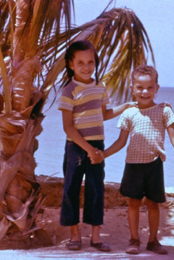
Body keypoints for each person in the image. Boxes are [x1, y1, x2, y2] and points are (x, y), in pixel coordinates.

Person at [103, 65, 174, 255]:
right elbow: (121, 142)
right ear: (132, 88)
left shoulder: (163, 110)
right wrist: (104, 154)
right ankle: (134, 239)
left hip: (154, 164)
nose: (145, 92)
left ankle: (153, 240)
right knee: (133, 203)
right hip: (133, 165)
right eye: (140, 87)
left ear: (156, 88)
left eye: (150, 88)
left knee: (153, 203)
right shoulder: (128, 113)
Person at [58, 40, 134, 252]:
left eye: (90, 62)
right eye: (80, 62)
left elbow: (104, 114)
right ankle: (74, 235)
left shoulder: (100, 87)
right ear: (71, 64)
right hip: (76, 147)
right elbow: (68, 127)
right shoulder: (69, 90)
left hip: (97, 145)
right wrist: (89, 150)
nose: (86, 67)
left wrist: (126, 106)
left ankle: (96, 236)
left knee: (96, 189)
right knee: (71, 189)